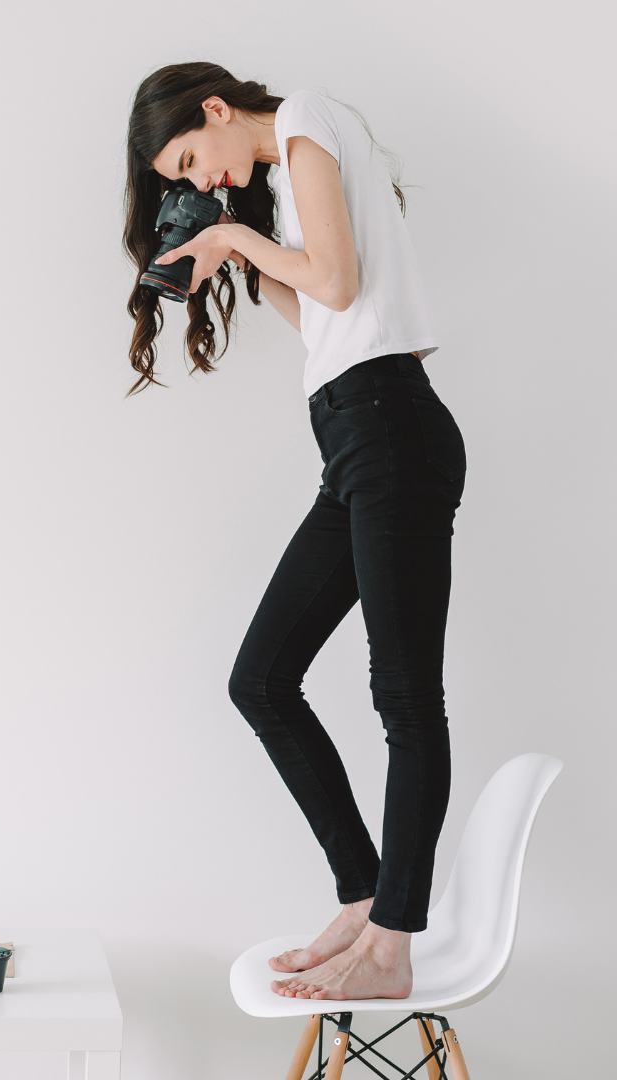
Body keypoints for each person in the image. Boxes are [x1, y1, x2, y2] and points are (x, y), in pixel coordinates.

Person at [123, 63, 466, 1001]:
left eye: (194, 158)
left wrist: (236, 232)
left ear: (219, 109)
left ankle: (393, 944)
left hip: (390, 424)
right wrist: (236, 252)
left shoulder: (309, 114)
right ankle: (365, 894)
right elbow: (319, 308)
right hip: (358, 437)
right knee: (262, 680)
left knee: (403, 695)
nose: (203, 183)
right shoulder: (281, 176)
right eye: (186, 180)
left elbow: (341, 283)